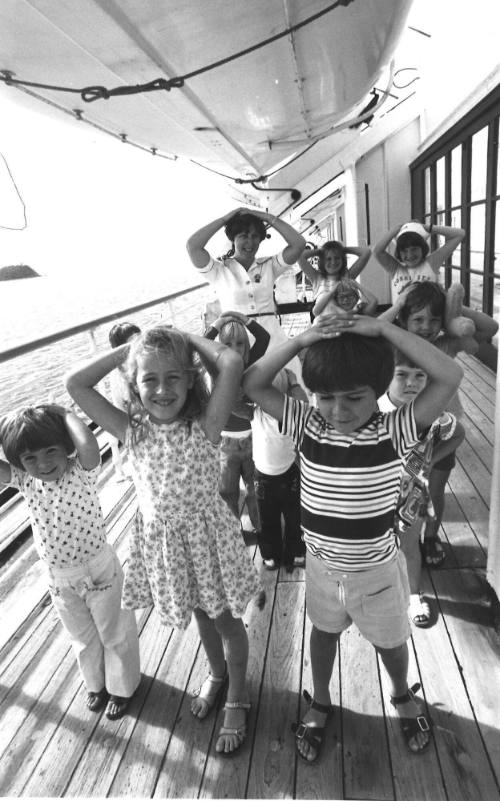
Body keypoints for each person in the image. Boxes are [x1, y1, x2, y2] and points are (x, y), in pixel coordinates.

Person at [243, 312, 462, 761]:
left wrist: (382, 329)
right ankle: (321, 699)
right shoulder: (308, 424)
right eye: (325, 397)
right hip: (322, 568)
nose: (338, 411)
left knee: (391, 642)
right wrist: (302, 339)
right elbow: (253, 383)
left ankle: (401, 694)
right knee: (322, 636)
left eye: (354, 397)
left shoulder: (394, 428)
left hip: (377, 572)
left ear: (379, 392)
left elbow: (450, 374)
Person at [64, 325, 263, 755]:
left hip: (210, 541)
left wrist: (187, 339)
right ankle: (215, 673)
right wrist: (129, 350)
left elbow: (229, 361)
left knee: (226, 619)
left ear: (191, 379)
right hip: (167, 548)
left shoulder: (205, 424)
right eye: (149, 379)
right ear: (133, 385)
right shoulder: (130, 430)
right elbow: (75, 384)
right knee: (199, 614)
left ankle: (237, 695)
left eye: (173, 376)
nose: (161, 389)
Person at [0, 404, 141, 719]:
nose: (43, 463)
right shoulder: (25, 481)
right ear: (20, 463)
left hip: (99, 568)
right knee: (82, 636)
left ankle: (122, 687)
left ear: (66, 447)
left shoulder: (82, 469)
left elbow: (89, 443)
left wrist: (64, 414)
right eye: (30, 458)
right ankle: (96, 683)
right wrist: (6, 427)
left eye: (51, 451)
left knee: (115, 632)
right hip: (60, 578)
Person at [380, 281, 498, 567]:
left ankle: (431, 536)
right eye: (417, 319)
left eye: (434, 320)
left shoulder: (444, 344)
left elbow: (490, 328)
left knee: (435, 490)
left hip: (441, 434)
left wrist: (452, 308)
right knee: (396, 491)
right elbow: (373, 330)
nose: (425, 326)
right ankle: (399, 538)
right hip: (402, 432)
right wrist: (397, 304)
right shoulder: (393, 343)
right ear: (403, 319)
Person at [378, 351, 464, 626]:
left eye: (419, 376)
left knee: (409, 546)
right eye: (401, 374)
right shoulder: (372, 412)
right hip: (374, 496)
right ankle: (381, 592)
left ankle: (413, 595)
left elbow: (458, 432)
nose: (411, 382)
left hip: (410, 495)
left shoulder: (432, 415)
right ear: (386, 377)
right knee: (376, 548)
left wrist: (431, 460)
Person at [186, 207, 306, 381]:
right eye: (243, 236)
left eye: (255, 236)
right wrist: (225, 218)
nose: (250, 242)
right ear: (233, 239)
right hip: (237, 340)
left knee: (290, 383)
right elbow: (193, 246)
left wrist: (264, 216)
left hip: (273, 337)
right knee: (243, 393)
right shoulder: (219, 270)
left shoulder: (269, 265)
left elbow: (298, 243)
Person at [204, 310, 270, 536]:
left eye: (239, 343)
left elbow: (264, 338)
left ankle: (259, 527)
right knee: (227, 491)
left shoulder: (251, 363)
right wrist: (218, 323)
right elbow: (203, 343)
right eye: (227, 344)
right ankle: (231, 532)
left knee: (255, 489)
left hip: (254, 440)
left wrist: (245, 320)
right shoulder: (216, 368)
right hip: (226, 443)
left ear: (247, 347)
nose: (233, 349)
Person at [251, 367, 307, 572]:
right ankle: (270, 554)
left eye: (274, 396)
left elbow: (304, 404)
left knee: (296, 517)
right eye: (264, 395)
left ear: (284, 396)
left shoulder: (291, 414)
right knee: (266, 520)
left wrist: (293, 382)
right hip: (263, 479)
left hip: (289, 476)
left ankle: (297, 551)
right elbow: (234, 402)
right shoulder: (255, 412)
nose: (269, 402)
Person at [373, 220, 465, 298]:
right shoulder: (395, 268)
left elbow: (460, 234)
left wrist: (428, 228)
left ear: (423, 248)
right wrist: (398, 227)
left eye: (414, 249)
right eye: (404, 250)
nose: (410, 255)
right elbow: (377, 251)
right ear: (399, 252)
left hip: (429, 318)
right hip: (400, 319)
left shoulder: (431, 263)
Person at [298, 240, 376, 318]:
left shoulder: (347, 276)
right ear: (322, 261)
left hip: (345, 323)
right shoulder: (317, 278)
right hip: (323, 325)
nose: (333, 262)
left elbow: (366, 252)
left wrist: (342, 250)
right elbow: (299, 257)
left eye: (337, 258)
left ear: (342, 260)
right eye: (328, 259)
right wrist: (321, 251)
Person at [108, 322, 141, 480]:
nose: (138, 345)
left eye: (139, 339)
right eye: (132, 342)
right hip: (138, 429)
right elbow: (119, 405)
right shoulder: (117, 375)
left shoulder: (150, 362)